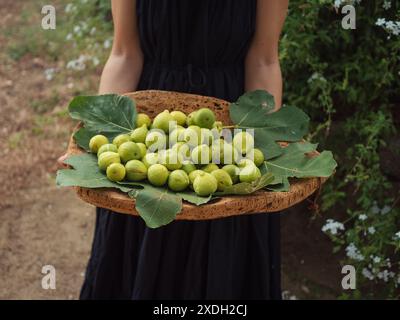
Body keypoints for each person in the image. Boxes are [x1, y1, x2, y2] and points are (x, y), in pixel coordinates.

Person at [60, 0, 288, 299]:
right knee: (142, 250)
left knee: (222, 260)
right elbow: (125, 55)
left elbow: (264, 60)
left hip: (228, 136)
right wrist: (97, 139)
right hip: (148, 134)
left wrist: (266, 151)